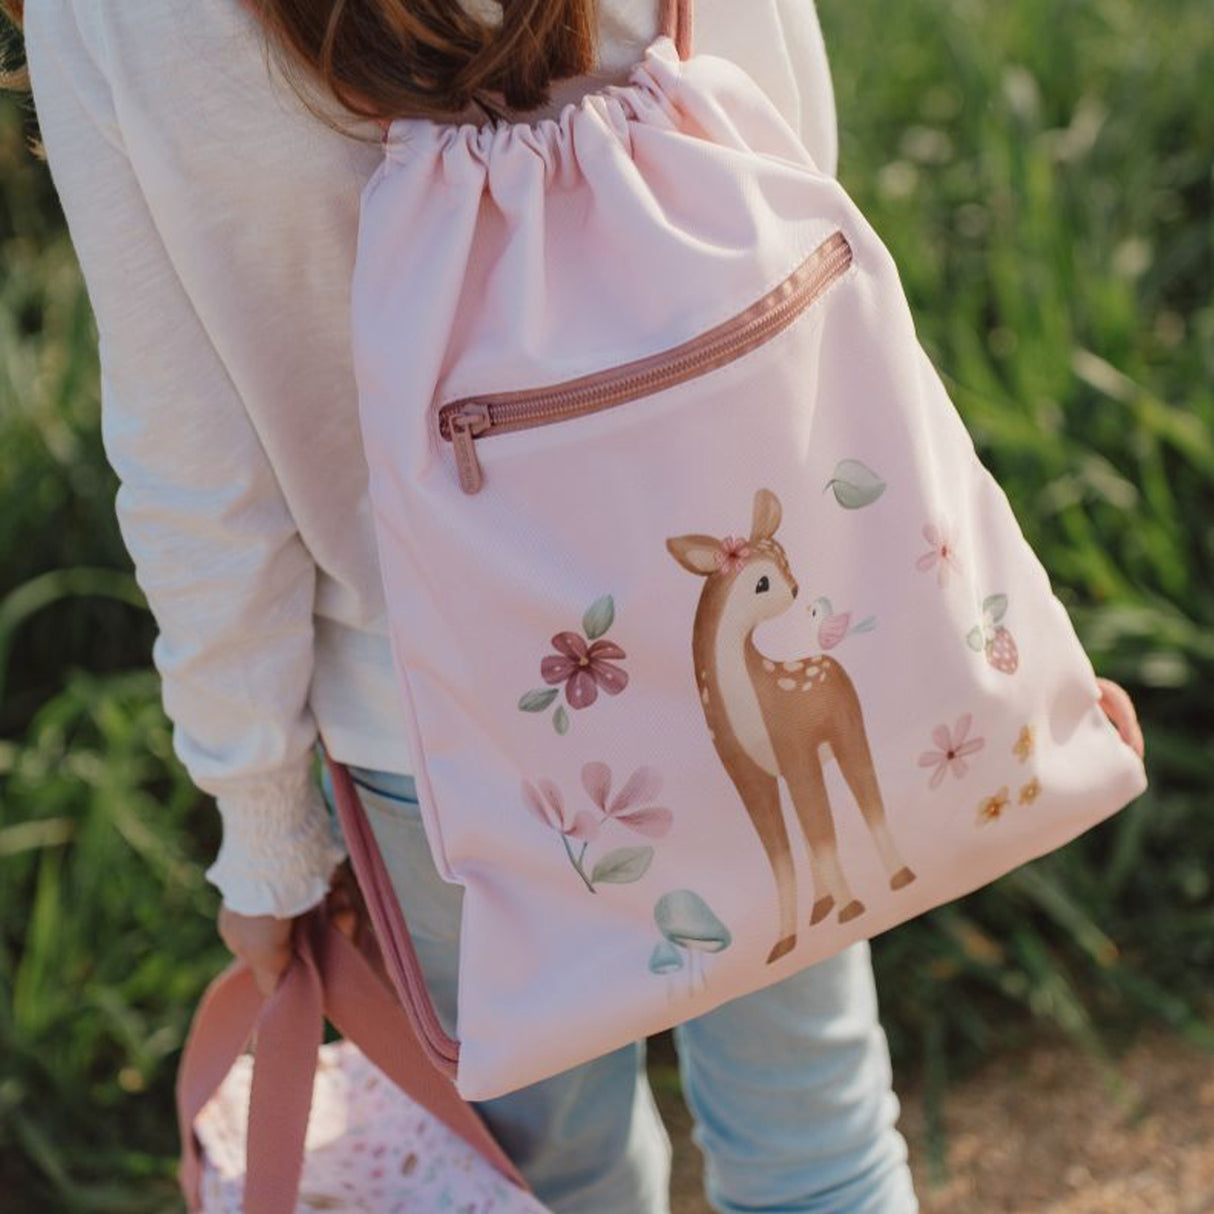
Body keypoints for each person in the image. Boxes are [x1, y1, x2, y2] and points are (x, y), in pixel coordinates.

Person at [13, 0, 1144, 1209]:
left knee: (546, 1178)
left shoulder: (114, 18)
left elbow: (198, 469)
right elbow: (792, 178)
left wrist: (262, 832)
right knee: (814, 1132)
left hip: (435, 742)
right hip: (747, 626)